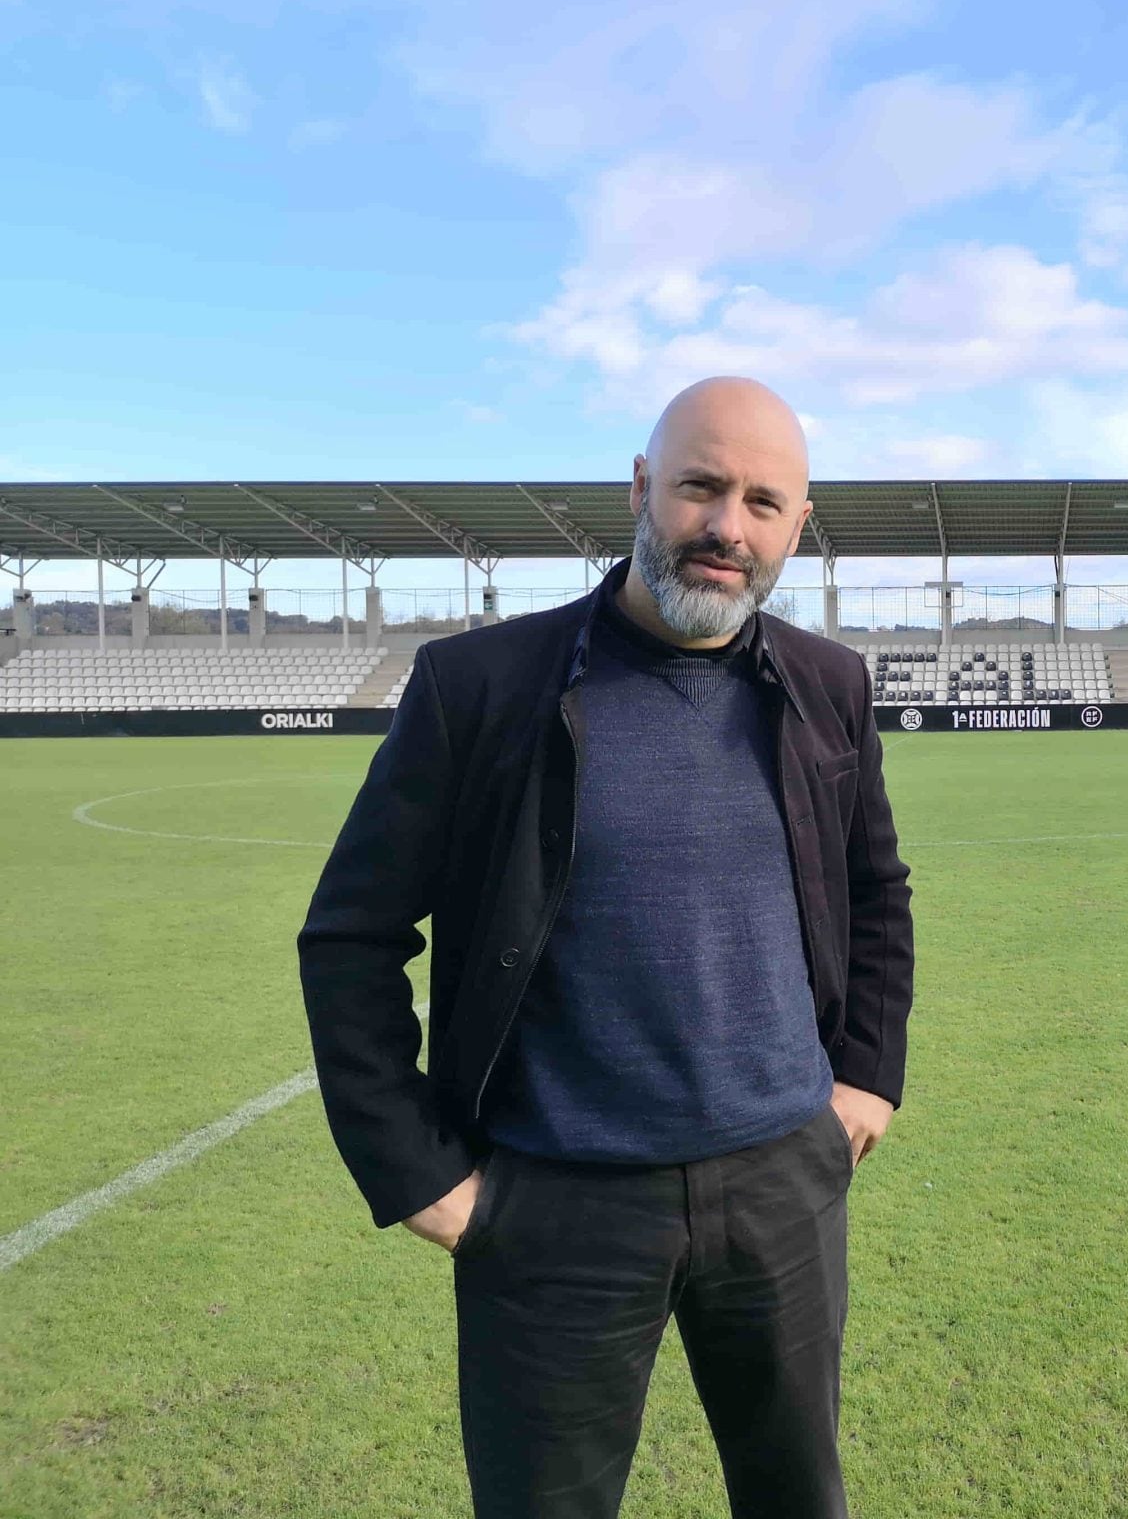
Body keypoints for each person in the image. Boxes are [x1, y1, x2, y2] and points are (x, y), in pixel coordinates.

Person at [300, 377, 913, 1519]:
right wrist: (420, 1175)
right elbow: (350, 938)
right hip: (553, 1203)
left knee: (799, 1497)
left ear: (794, 526)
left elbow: (876, 889)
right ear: (640, 487)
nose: (728, 526)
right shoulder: (479, 686)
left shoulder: (830, 685)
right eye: (700, 486)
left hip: (784, 1183)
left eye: (764, 502)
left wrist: (866, 1077)